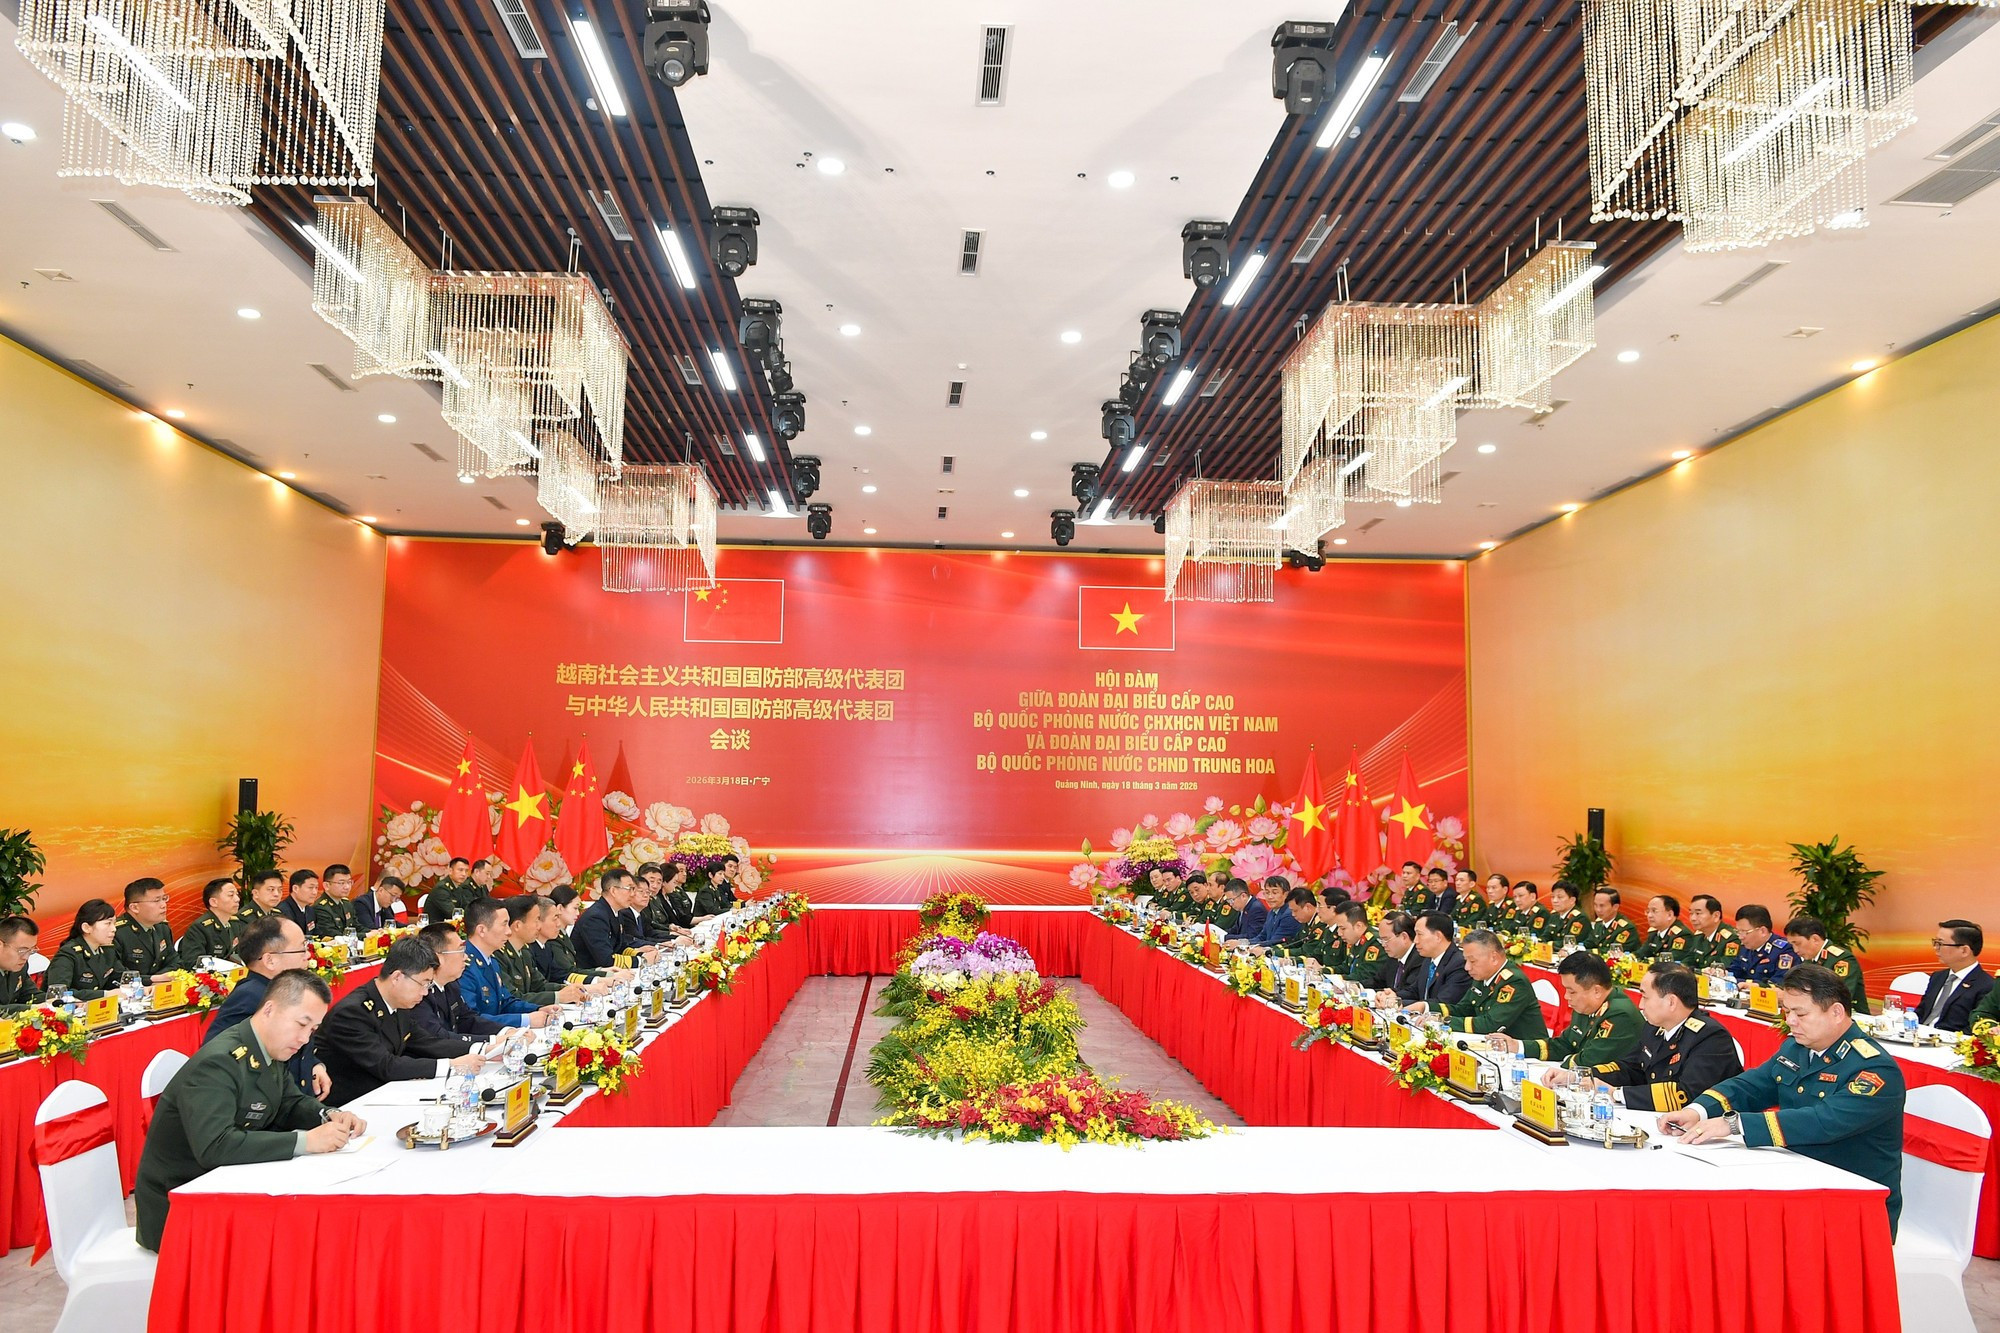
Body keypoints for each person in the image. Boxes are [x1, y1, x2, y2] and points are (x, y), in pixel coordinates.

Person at [1661, 963, 1906, 1234]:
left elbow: (1824, 1121)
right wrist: (1698, 1110)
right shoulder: (1796, 1047)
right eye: (1787, 1011)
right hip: (1797, 1180)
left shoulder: (1873, 1069)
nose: (1790, 1021)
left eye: (1800, 1013)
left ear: (1836, 1012)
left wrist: (1734, 1124)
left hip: (1852, 1205)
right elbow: (1752, 1086)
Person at [133, 970, 362, 1252]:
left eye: (312, 1030)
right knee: (301, 1237)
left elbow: (288, 1102)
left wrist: (328, 1116)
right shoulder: (219, 1062)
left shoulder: (269, 1046)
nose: (304, 1039)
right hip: (182, 1206)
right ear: (269, 1009)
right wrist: (307, 1142)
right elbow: (215, 1146)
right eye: (301, 1024)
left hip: (225, 1185)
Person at [1545, 962, 1742, 1111]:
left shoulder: (1710, 1037)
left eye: (1646, 997)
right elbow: (1630, 1067)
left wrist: (1616, 1093)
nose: (1640, 1005)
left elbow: (1685, 1095)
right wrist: (1580, 1076)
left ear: (1671, 1002)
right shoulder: (1654, 1028)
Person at [317, 938, 487, 1105]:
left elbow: (425, 1042)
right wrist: (452, 1065)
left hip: (386, 1096)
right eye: (423, 984)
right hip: (352, 1105)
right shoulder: (352, 1013)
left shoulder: (399, 1004)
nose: (425, 993)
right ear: (397, 977)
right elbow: (386, 1065)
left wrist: (482, 1049)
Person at [201, 918, 330, 1098]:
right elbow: (219, 1059)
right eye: (301, 949)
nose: (307, 955)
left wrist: (314, 1065)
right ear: (270, 960)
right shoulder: (251, 997)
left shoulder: (280, 991)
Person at [1499, 951, 1641, 1067]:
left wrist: (1559, 1064)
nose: (1566, 997)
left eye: (1572, 991)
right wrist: (1517, 1046)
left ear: (1596, 991)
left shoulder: (1619, 1014)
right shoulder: (1588, 1006)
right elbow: (1564, 1044)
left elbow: (1589, 1061)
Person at [1416, 929, 1548, 1041]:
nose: (1467, 967)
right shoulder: (1483, 975)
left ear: (1494, 958)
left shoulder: (1513, 981)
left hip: (1526, 1055)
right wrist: (1426, 1007)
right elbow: (1463, 1009)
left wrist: (1442, 1021)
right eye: (1466, 960)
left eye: (1472, 961)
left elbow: (1490, 1024)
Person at [459, 898, 557, 1028]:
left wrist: (538, 1009)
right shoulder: (463, 965)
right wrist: (525, 1020)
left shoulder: (490, 960)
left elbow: (505, 1001)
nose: (509, 931)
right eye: (504, 924)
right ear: (481, 930)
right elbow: (471, 1020)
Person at [410, 922, 508, 1040]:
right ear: (438, 957)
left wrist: (505, 1031)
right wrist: (491, 1041)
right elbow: (437, 1037)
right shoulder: (421, 994)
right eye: (460, 951)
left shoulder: (451, 985)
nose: (465, 957)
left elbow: (467, 1020)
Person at [495, 896, 585, 1005]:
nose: (539, 926)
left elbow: (539, 985)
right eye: (536, 920)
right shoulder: (498, 955)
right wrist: (558, 996)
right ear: (518, 925)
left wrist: (568, 989)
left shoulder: (524, 952)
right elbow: (513, 998)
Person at [1913, 920, 1991, 1032]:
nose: (1935, 948)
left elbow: (1975, 1029)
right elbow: (1921, 1013)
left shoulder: (1986, 986)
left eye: (1940, 943)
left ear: (1964, 950)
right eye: (1935, 942)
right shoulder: (1938, 977)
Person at [1783, 915, 1869, 1015]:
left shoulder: (1841, 959)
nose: (1795, 950)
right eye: (1792, 945)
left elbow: (1840, 997)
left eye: (1797, 944)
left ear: (1815, 939)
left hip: (1849, 1017)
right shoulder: (1809, 961)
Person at [575, 870, 655, 970]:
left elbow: (619, 946)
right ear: (613, 891)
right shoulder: (596, 917)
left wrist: (639, 953)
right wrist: (641, 960)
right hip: (593, 975)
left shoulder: (616, 912)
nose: (632, 894)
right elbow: (606, 959)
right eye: (629, 888)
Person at [46, 898, 121, 998]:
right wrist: (105, 994)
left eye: (114, 923)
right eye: (108, 923)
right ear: (86, 927)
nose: (114, 929)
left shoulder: (107, 951)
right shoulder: (68, 954)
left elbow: (120, 976)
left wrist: (146, 982)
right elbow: (59, 992)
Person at [1392, 913, 1469, 1007]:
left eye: (1419, 934)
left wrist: (1399, 1003)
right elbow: (1415, 991)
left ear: (1438, 936)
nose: (1415, 940)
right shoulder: (1428, 959)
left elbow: (1443, 1002)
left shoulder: (1459, 964)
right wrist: (1393, 996)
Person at [113, 877, 177, 979]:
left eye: (164, 899)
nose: (164, 905)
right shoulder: (116, 932)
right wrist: (151, 980)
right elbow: (116, 974)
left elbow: (175, 961)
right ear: (134, 907)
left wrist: (158, 980)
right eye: (156, 901)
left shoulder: (161, 927)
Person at [177, 878, 242, 968]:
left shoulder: (235, 923)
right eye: (231, 895)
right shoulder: (200, 928)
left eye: (237, 894)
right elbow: (192, 962)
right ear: (213, 902)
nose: (237, 899)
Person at [1729, 904, 1798, 983]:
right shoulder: (1746, 946)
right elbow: (1735, 969)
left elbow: (1780, 983)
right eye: (1738, 931)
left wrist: (1747, 984)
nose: (1740, 937)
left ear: (1762, 931)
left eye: (1744, 932)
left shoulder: (1784, 950)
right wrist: (1723, 973)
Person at [1331, 903, 1390, 987]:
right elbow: (1346, 967)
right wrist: (1324, 972)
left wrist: (1338, 980)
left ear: (1358, 926)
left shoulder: (1375, 943)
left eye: (1343, 928)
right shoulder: (1355, 940)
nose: (1339, 933)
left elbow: (1366, 975)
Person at [1373, 912, 1422, 1005]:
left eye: (1386, 939)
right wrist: (1358, 987)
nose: (1383, 945)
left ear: (1404, 937)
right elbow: (1377, 981)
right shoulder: (1394, 956)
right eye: (1381, 940)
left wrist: (1390, 996)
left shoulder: (1419, 959)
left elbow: (1411, 992)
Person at [1684, 894, 1741, 971]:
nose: (1693, 918)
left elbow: (1724, 968)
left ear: (1716, 916)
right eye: (1691, 913)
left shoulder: (1731, 939)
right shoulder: (1699, 936)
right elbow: (1688, 961)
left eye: (1698, 913)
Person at [1249, 886, 1314, 953]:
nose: (1293, 914)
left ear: (1308, 907)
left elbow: (1305, 951)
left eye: (1295, 911)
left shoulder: (1288, 916)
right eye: (1267, 893)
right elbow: (1293, 942)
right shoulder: (1271, 912)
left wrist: (1269, 951)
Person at [0, 916, 42, 1014]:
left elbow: (30, 994)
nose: (26, 957)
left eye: (31, 951)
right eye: (22, 950)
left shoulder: (19, 966)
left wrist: (58, 1001)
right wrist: (32, 1008)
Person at [1634, 894, 1693, 962]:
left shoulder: (1682, 935)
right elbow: (1642, 952)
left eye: (1654, 911)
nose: (1649, 915)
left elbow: (1672, 959)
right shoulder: (1654, 932)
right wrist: (1630, 957)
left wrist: (1649, 960)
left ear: (1669, 915)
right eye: (1648, 911)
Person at [1584, 887, 1638, 955]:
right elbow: (1589, 942)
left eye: (1602, 906)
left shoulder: (1626, 928)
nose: (1598, 910)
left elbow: (1612, 952)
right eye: (1595, 905)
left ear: (1615, 907)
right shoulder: (1599, 923)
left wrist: (1587, 951)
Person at [313, 864, 359, 938]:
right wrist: (365, 935)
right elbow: (333, 934)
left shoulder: (346, 904)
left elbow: (356, 926)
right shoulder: (321, 907)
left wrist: (373, 932)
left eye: (349, 882)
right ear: (326, 886)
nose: (347, 887)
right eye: (341, 883)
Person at [1540, 881, 1589, 947]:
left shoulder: (1580, 918)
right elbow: (1545, 936)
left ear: (1572, 900)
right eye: (1552, 897)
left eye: (1559, 897)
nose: (1555, 901)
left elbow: (1570, 943)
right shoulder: (1554, 915)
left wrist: (1548, 944)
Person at [428, 858, 477, 924]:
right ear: (450, 871)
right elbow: (452, 913)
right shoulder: (441, 889)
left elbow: (467, 907)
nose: (464, 874)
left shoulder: (458, 887)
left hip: (452, 926)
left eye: (466, 871)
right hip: (437, 929)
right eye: (460, 870)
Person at [1222, 879, 1267, 943]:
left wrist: (1224, 937)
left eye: (1232, 900)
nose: (1230, 904)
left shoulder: (1256, 909)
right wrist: (1220, 933)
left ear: (1243, 896)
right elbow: (1236, 930)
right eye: (1228, 901)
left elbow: (1252, 936)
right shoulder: (1243, 907)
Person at [278, 869, 321, 935]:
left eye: (316, 888)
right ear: (295, 888)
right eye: (310, 887)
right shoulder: (282, 911)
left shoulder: (310, 910)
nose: (315, 892)